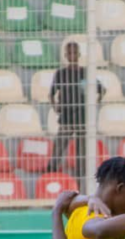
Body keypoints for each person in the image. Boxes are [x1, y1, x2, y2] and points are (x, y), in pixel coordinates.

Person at [49, 42, 105, 181]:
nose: (72, 55)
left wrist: (94, 104)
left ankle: (81, 180)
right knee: (58, 148)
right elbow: (51, 93)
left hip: (82, 117)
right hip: (66, 117)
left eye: (75, 53)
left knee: (81, 153)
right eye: (69, 53)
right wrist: (55, 106)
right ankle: (50, 173)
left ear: (79, 55)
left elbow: (102, 90)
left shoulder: (85, 72)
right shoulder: (61, 74)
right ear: (66, 55)